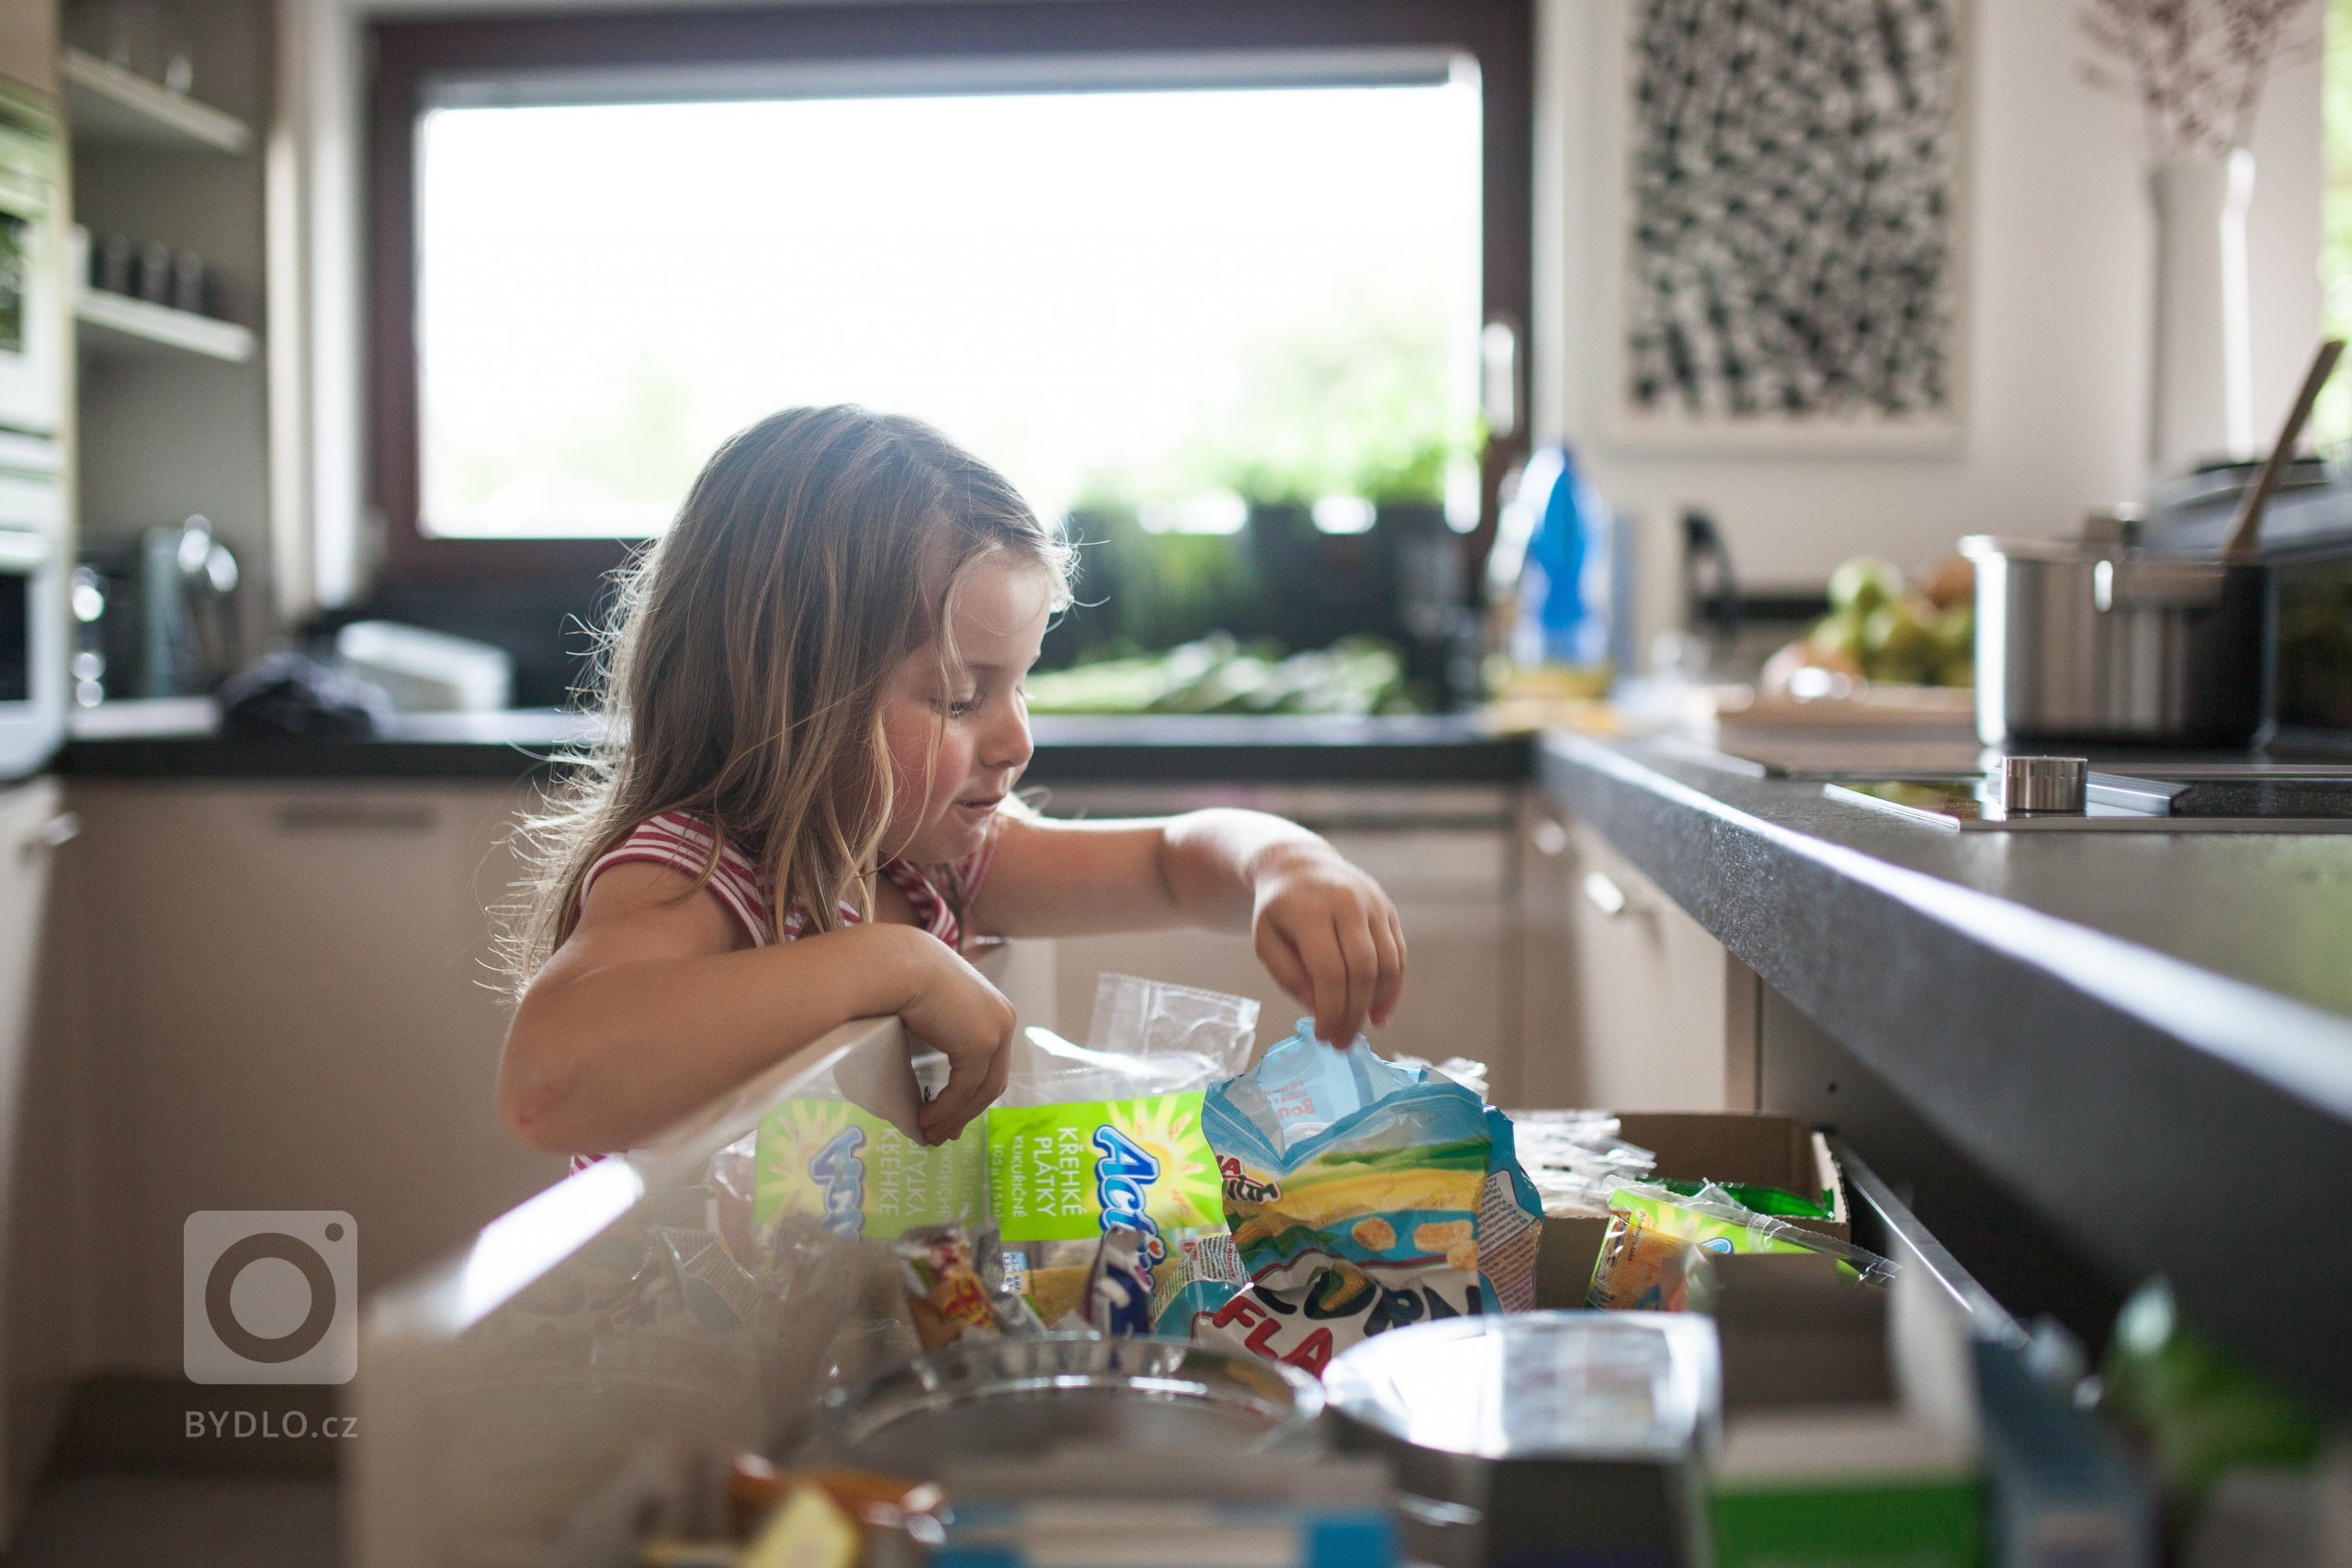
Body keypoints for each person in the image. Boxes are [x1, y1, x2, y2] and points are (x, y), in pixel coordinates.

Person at [498, 406, 1407, 1156]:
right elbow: (548, 1083)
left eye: (1019, 686)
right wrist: (892, 963)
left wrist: (1281, 861)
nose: (1015, 740)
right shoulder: (696, 873)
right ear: (791, 696)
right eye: (959, 697)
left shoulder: (917, 859)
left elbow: (1170, 863)